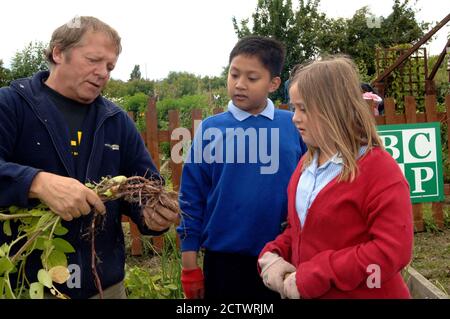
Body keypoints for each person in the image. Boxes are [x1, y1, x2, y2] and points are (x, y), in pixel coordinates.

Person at [0, 16, 178, 299]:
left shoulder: (115, 120)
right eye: (94, 60)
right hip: (27, 284)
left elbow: (144, 185)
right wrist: (36, 183)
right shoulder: (11, 105)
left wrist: (152, 215)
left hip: (104, 287)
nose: (103, 73)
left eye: (109, 66)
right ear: (59, 53)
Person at [258, 56, 413, 299]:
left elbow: (392, 251)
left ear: (334, 109)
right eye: (294, 108)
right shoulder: (305, 166)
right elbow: (302, 230)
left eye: (304, 109)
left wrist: (317, 275)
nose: (295, 118)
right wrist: (275, 254)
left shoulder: (380, 170)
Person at [177, 36, 307, 299]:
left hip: (286, 257)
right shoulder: (210, 130)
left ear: (273, 83)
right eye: (234, 74)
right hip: (224, 262)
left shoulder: (294, 126)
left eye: (252, 78)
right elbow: (191, 199)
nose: (239, 84)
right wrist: (189, 266)